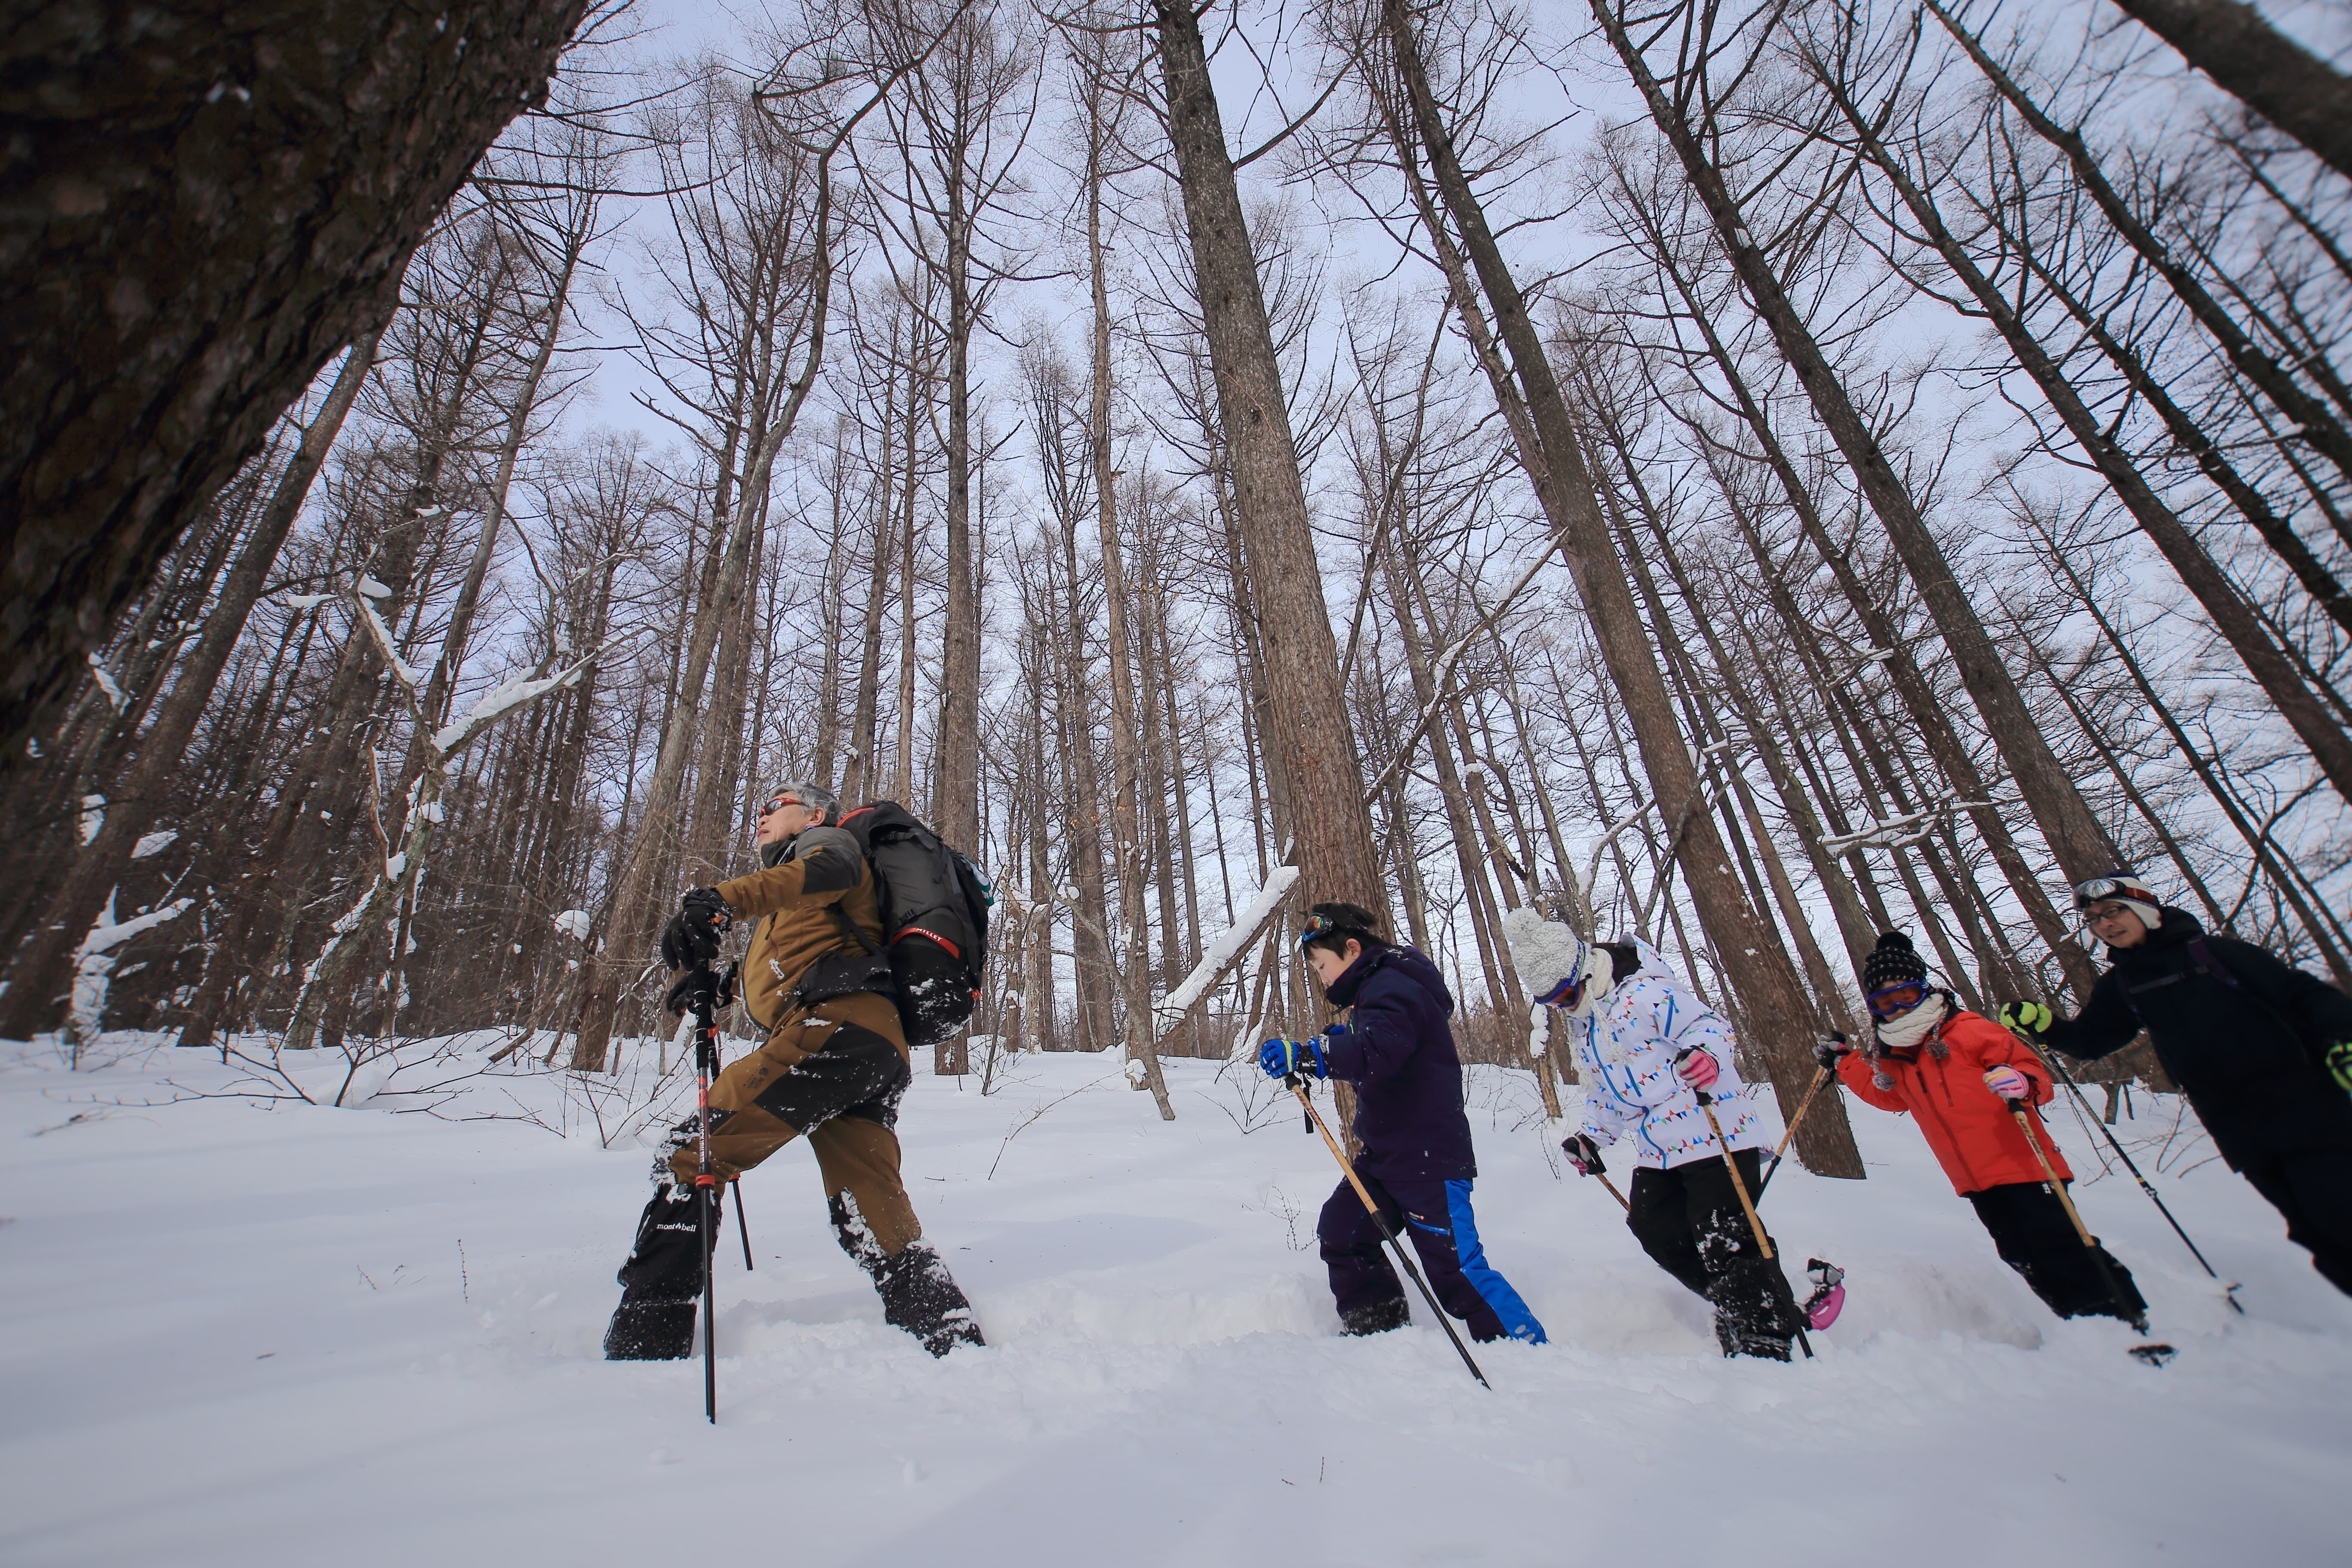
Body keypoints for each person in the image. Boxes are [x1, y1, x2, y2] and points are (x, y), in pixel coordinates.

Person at [601, 780, 983, 1360]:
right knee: (870, 1204)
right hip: (869, 1047)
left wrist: (722, 901)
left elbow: (819, 878)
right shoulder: (799, 898)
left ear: (813, 815)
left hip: (833, 1030)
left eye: (774, 807)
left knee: (693, 1153)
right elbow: (799, 959)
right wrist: (720, 986)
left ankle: (649, 1334)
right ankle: (948, 1335)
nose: (760, 815)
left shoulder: (826, 847)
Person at [1999, 871, 2352, 1298]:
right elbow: (2092, 1041)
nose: (2105, 925)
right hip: (2243, 1136)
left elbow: (2304, 995)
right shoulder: (2124, 984)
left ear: (2146, 908)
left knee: (2339, 1219)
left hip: (2313, 1114)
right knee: (2317, 1236)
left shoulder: (2215, 954)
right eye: (2094, 920)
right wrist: (2046, 1026)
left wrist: (2341, 1041)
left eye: (2114, 911)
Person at [1502, 907, 1804, 1360]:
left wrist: (1705, 1055)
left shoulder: (1644, 993)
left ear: (1583, 970)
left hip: (1713, 1126)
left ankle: (1765, 1331)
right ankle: (1739, 1304)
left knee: (1723, 1232)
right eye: (1551, 1002)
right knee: (1654, 1228)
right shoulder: (1586, 1027)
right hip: (1659, 1146)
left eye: (1566, 994)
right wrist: (1591, 1139)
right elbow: (1607, 1091)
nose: (1564, 1006)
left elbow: (1710, 1026)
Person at [1257, 901, 1547, 1345]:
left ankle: (1529, 1353)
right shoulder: (1376, 993)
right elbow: (1373, 1042)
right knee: (1344, 1231)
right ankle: (1381, 1336)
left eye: (1321, 966)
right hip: (1386, 1159)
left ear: (1351, 950)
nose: (1320, 977)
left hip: (1428, 1162)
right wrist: (1321, 1045)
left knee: (1458, 1273)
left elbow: (1381, 1049)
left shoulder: (1392, 985)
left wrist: (1315, 1055)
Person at [1820, 930, 2145, 1325]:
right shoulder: (1893, 1056)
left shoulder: (1970, 1030)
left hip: (2024, 1163)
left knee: (2060, 1247)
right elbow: (1888, 1097)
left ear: (1924, 991)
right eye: (1886, 1001)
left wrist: (2021, 1084)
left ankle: (2122, 1317)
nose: (1898, 1009)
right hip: (1973, 1177)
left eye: (1905, 995)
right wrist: (1845, 1063)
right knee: (2018, 1254)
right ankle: (2079, 1323)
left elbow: (2035, 1076)